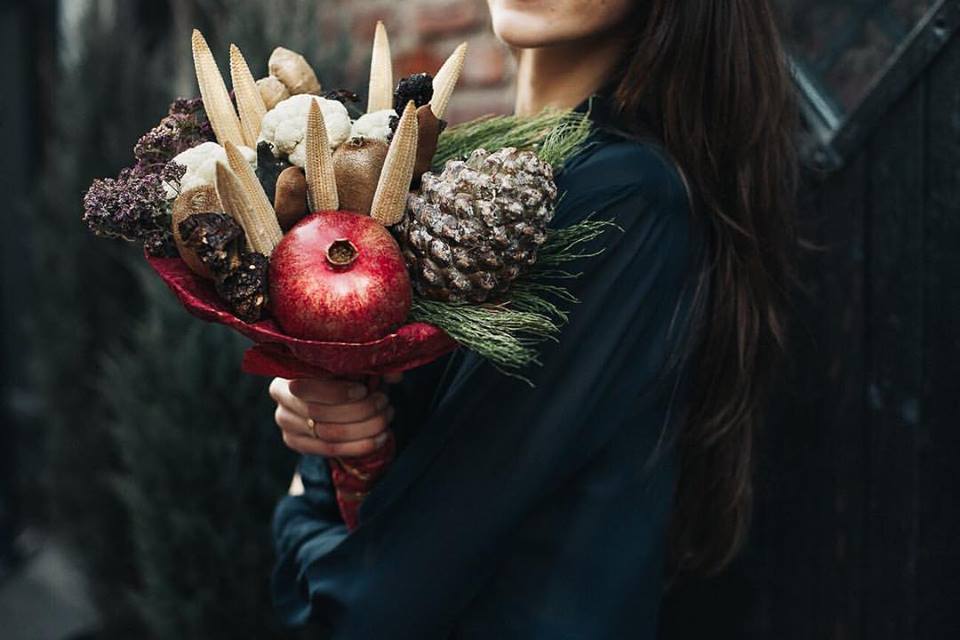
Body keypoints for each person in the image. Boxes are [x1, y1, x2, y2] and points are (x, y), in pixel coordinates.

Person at [269, 1, 797, 637]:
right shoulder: (486, 184)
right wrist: (342, 411)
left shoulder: (620, 201)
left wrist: (301, 509)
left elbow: (372, 603)